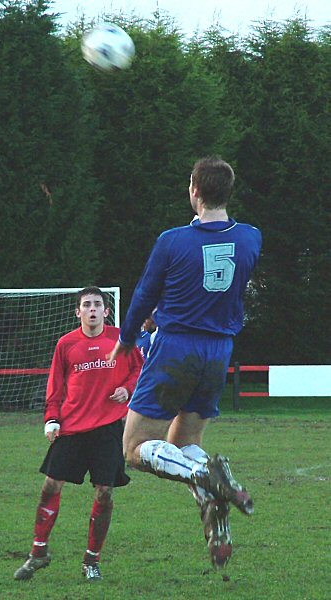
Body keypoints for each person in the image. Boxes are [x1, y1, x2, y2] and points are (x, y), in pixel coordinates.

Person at [108, 156, 262, 570]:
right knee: (185, 447)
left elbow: (144, 295)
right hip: (219, 351)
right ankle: (218, 520)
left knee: (135, 448)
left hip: (177, 347)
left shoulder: (173, 240)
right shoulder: (251, 238)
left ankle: (206, 476)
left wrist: (125, 339)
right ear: (228, 192)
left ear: (194, 190)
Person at [14, 286, 144, 582]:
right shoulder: (67, 344)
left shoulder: (121, 340)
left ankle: (92, 561)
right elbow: (56, 386)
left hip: (108, 430)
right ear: (78, 312)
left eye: (98, 304)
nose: (93, 309)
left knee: (105, 493)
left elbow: (140, 369)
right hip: (72, 428)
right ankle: (38, 552)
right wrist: (51, 419)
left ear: (106, 311)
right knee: (50, 485)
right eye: (87, 305)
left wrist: (129, 388)